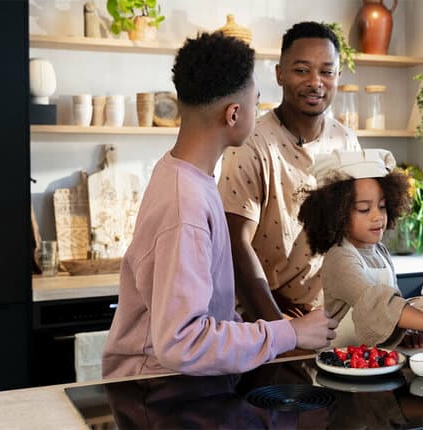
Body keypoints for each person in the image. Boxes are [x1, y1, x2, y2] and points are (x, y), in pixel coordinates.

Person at [101, 32, 337, 379]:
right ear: (233, 115)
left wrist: (274, 334)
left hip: (176, 383)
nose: (259, 114)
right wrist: (290, 333)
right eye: (257, 103)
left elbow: (209, 319)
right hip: (156, 390)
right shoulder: (186, 205)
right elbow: (184, 342)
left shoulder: (185, 175)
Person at [219, 21, 360, 323]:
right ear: (280, 74)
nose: (315, 82)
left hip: (332, 317)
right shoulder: (250, 143)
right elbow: (234, 244)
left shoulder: (346, 141)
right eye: (301, 70)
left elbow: (355, 234)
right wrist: (281, 325)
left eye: (326, 71)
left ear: (338, 76)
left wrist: (386, 314)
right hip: (266, 316)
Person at [298, 149, 423, 357]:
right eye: (364, 209)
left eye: (382, 207)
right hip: (338, 361)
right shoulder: (340, 258)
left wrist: (401, 333)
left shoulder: (379, 251)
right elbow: (376, 302)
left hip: (370, 362)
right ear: (336, 215)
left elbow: (392, 305)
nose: (377, 217)